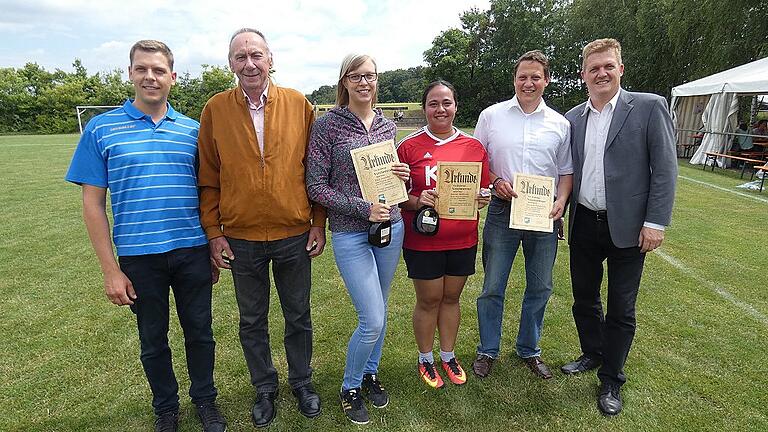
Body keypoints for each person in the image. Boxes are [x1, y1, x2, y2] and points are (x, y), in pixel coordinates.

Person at [65, 40, 226, 432]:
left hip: (191, 250)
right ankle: (166, 409)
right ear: (131, 73)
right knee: (153, 340)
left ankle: (205, 401)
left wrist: (211, 244)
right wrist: (110, 270)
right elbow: (92, 205)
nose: (150, 77)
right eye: (142, 69)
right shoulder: (102, 130)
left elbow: (208, 192)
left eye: (158, 70)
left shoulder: (193, 131)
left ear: (172, 77)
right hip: (139, 258)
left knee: (200, 333)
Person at [197, 28, 326, 428]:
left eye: (256, 55)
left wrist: (318, 222)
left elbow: (316, 169)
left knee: (298, 315)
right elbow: (208, 177)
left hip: (293, 233)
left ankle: (301, 382)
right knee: (252, 319)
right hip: (241, 238)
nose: (249, 63)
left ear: (271, 59)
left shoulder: (299, 105)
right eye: (240, 57)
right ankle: (264, 387)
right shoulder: (215, 109)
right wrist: (214, 232)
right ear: (230, 63)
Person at [562, 38, 677, 416]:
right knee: (584, 299)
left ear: (620, 69)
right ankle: (593, 353)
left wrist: (655, 222)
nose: (602, 73)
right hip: (583, 223)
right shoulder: (574, 117)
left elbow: (665, 170)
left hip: (628, 227)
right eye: (594, 68)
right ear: (583, 75)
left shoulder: (648, 107)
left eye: (608, 66)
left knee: (621, 308)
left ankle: (612, 378)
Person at [306, 53, 410, 425]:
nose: (365, 83)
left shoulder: (386, 126)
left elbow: (392, 179)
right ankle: (350, 386)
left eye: (371, 76)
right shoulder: (327, 126)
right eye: (357, 76)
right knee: (373, 318)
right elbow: (315, 186)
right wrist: (361, 207)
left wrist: (403, 175)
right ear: (344, 82)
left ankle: (370, 373)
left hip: (390, 227)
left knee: (380, 308)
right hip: (351, 234)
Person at [471, 50, 573, 380]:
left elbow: (566, 171)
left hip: (544, 214)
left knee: (541, 286)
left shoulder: (560, 123)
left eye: (535, 77)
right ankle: (488, 349)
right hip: (503, 210)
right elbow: (476, 163)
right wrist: (495, 181)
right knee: (492, 284)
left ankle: (529, 348)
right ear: (514, 79)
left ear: (546, 80)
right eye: (522, 77)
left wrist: (561, 201)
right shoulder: (491, 116)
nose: (528, 83)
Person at [396, 80, 490, 389]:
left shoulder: (473, 146)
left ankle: (448, 355)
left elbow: (482, 187)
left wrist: (483, 196)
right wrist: (417, 200)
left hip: (463, 237)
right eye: (433, 103)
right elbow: (396, 196)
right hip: (423, 239)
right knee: (429, 299)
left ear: (455, 106)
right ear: (424, 108)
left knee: (451, 297)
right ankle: (426, 359)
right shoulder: (408, 146)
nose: (440, 109)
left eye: (446, 103)